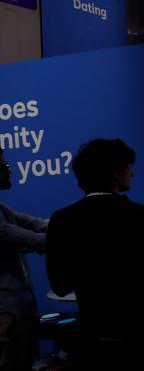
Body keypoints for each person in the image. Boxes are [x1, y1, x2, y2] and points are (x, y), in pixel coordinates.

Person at [46, 139, 144, 370]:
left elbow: (59, 286)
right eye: (128, 166)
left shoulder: (62, 220)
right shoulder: (143, 216)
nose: (132, 173)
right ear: (116, 174)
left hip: (98, 340)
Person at [0, 148, 48, 371]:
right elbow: (19, 236)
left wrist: (70, 223)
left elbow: (32, 223)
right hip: (6, 315)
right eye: (3, 166)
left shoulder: (2, 209)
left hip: (18, 310)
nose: (9, 170)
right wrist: (69, 238)